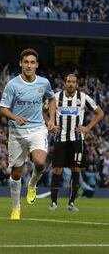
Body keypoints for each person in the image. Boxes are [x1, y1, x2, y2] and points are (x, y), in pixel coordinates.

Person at [0, 48, 56, 220]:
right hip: (16, 132)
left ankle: (33, 183)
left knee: (40, 162)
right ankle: (16, 209)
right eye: (26, 62)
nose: (29, 65)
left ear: (37, 65)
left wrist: (51, 119)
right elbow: (3, 109)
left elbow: (52, 99)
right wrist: (15, 117)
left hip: (37, 129)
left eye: (32, 62)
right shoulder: (12, 85)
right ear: (20, 64)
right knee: (16, 173)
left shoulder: (44, 83)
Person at [49, 73, 103, 211]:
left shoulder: (83, 97)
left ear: (77, 84)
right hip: (60, 139)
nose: (71, 84)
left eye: (73, 82)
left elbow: (100, 113)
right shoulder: (55, 97)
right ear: (65, 83)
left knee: (76, 169)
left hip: (77, 140)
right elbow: (43, 110)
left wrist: (88, 128)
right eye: (68, 81)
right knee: (57, 169)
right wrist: (49, 123)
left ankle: (71, 203)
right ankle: (54, 203)